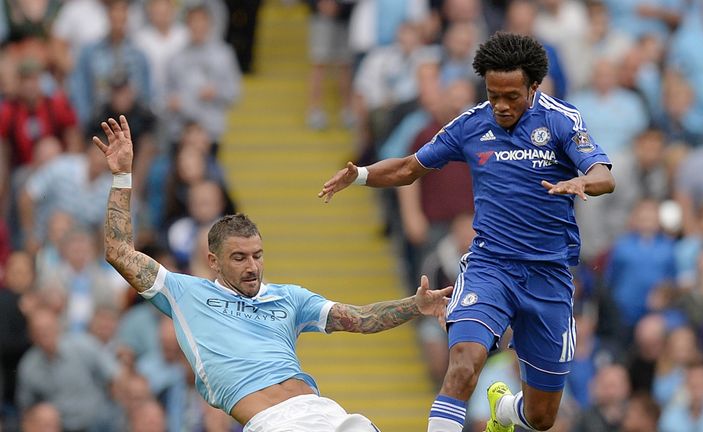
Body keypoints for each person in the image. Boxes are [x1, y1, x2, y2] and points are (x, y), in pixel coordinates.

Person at [320, 32, 615, 432]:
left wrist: (584, 183)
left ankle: (506, 411)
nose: (502, 105)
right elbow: (410, 168)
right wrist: (362, 175)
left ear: (533, 86)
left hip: (549, 274)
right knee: (462, 364)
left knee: (542, 417)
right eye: (494, 95)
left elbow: (603, 175)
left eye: (512, 96)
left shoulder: (562, 120)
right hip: (489, 267)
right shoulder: (471, 125)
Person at [93, 115, 453, 431]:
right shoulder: (185, 293)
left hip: (324, 412)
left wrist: (414, 305)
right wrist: (123, 175)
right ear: (213, 261)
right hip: (271, 423)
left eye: (257, 256)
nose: (252, 266)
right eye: (239, 258)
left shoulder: (290, 297)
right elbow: (119, 251)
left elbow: (358, 318)